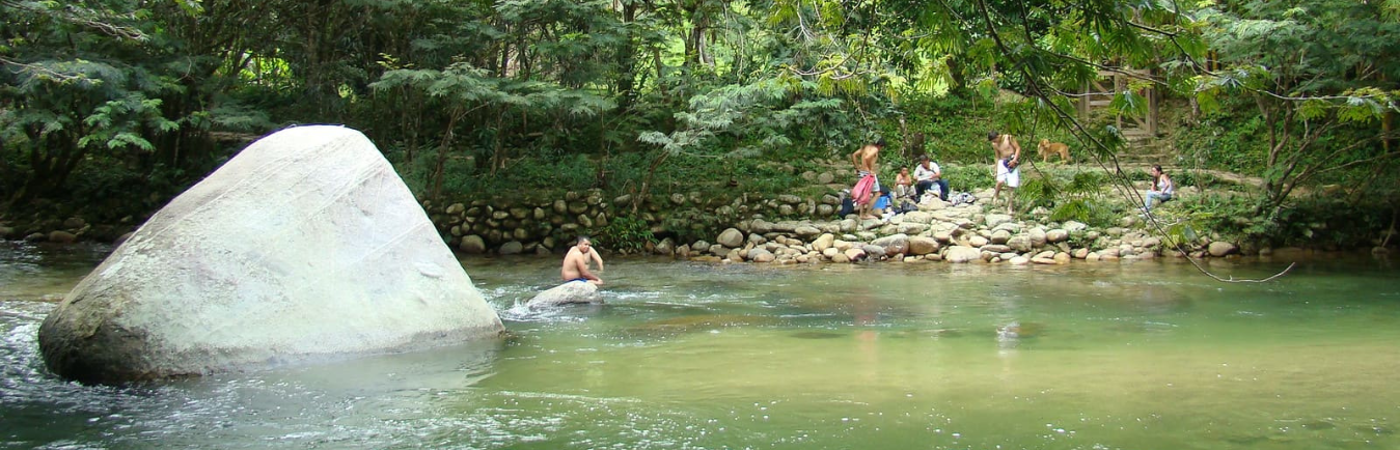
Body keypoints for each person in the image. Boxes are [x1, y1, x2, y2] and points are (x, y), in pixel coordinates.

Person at [849, 139, 885, 220]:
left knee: (865, 193)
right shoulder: (875, 149)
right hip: (868, 174)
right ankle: (867, 213)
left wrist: (857, 167)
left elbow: (854, 155)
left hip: (862, 172)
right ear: (880, 146)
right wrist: (870, 169)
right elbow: (867, 157)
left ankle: (861, 214)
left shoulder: (866, 147)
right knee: (877, 194)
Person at [988, 131, 1021, 214]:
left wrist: (1015, 160)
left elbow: (1018, 148)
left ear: (998, 136)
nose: (994, 142)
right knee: (1000, 181)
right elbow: (997, 156)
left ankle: (1010, 206)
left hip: (1012, 161)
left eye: (995, 140)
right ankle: (996, 196)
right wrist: (996, 168)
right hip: (1002, 162)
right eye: (993, 141)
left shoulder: (1009, 138)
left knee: (1011, 185)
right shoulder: (994, 144)